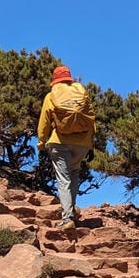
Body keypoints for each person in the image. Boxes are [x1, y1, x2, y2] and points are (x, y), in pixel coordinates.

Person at [37, 65, 96, 228]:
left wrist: (41, 143)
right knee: (74, 173)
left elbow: (44, 122)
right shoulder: (81, 94)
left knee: (63, 179)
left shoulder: (51, 96)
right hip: (82, 144)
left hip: (60, 142)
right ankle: (72, 214)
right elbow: (91, 119)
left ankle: (67, 218)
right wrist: (91, 145)